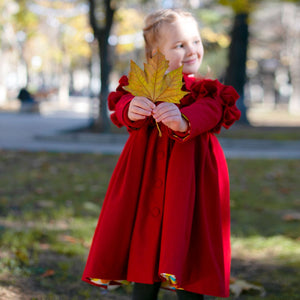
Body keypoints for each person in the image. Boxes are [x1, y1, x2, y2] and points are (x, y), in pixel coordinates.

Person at [82, 8, 241, 300]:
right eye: (179, 45)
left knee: (188, 239)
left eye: (195, 41)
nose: (192, 50)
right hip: (144, 178)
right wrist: (130, 108)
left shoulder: (207, 91)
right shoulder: (143, 86)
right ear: (156, 52)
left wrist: (183, 120)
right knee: (147, 236)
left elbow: (213, 111)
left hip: (190, 180)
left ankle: (190, 289)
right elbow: (122, 108)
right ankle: (144, 287)